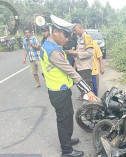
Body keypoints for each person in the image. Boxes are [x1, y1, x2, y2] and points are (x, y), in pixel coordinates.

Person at [40, 15, 100, 157]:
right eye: (65, 34)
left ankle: (67, 140)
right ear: (55, 32)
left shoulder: (50, 46)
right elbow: (72, 72)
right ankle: (67, 150)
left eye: (69, 35)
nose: (67, 38)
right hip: (59, 92)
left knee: (67, 116)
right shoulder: (53, 51)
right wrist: (89, 91)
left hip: (59, 90)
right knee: (64, 120)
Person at [68, 20, 94, 99]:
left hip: (85, 67)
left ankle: (91, 105)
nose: (74, 32)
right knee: (78, 83)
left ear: (79, 27)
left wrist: (77, 53)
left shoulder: (87, 37)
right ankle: (84, 96)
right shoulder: (79, 39)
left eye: (75, 30)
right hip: (79, 66)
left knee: (88, 86)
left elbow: (90, 53)